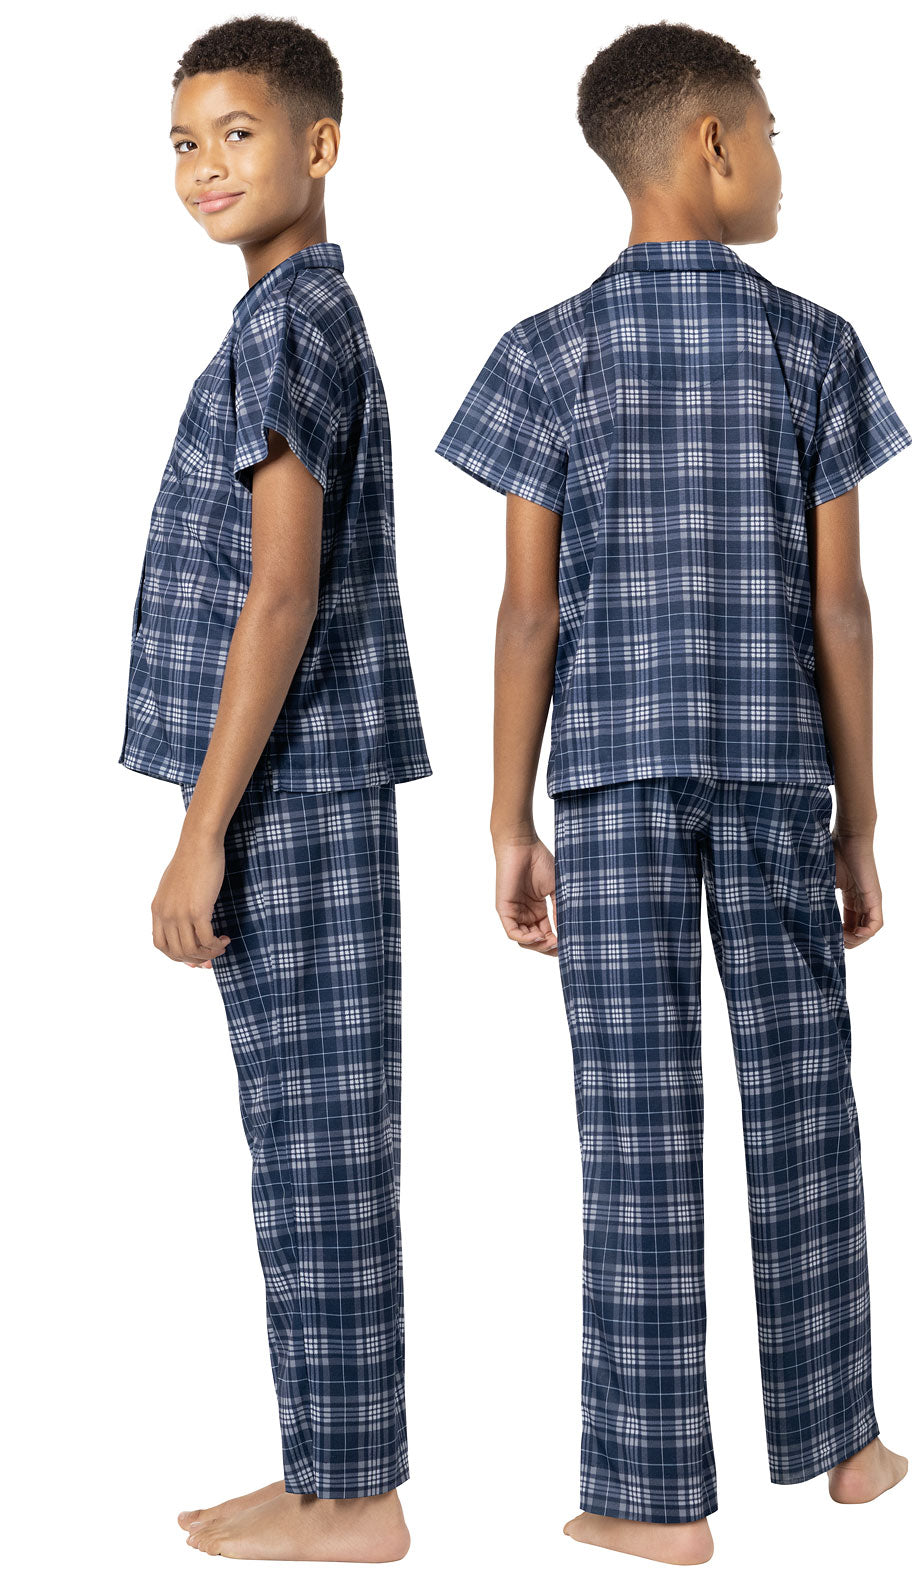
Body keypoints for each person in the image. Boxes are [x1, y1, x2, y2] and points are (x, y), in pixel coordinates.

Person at [434, 20, 911, 1568]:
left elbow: (528, 614)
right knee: (805, 1102)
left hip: (611, 787)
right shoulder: (816, 343)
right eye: (768, 132)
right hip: (777, 773)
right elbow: (841, 609)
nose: (777, 159)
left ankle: (653, 1501)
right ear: (710, 143)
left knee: (633, 1127)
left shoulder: (543, 352)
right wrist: (861, 818)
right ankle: (846, 1448)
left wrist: (509, 820)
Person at [117, 14, 431, 1564]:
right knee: (309, 1139)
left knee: (318, 1144)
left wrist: (202, 831)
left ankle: (353, 1497)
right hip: (294, 789)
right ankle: (331, 1471)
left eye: (236, 134)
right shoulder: (289, 317)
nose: (204, 166)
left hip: (289, 792)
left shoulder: (290, 327)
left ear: (319, 146)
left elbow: (283, 592)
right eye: (184, 142)